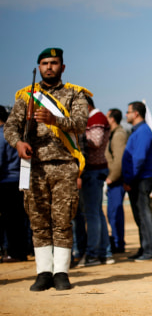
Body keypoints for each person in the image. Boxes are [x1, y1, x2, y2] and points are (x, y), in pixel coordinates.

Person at [4, 47, 90, 291]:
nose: (49, 67)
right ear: (39, 67)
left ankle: (61, 272)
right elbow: (10, 127)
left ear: (62, 67)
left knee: (63, 221)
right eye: (44, 63)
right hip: (34, 167)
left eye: (53, 63)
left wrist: (55, 121)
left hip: (64, 166)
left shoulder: (75, 94)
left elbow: (80, 124)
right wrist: (18, 143)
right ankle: (43, 272)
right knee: (38, 221)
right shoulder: (25, 96)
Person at [77, 96, 113, 266]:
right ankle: (103, 252)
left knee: (92, 214)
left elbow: (96, 141)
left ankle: (93, 253)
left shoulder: (96, 118)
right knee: (96, 212)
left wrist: (76, 134)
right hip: (95, 169)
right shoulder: (96, 118)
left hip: (93, 169)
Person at [122, 101, 152, 262]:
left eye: (128, 112)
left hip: (141, 178)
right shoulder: (137, 131)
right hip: (138, 178)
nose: (126, 115)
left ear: (136, 113)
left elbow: (139, 158)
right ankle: (145, 247)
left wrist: (130, 178)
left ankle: (150, 249)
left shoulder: (143, 131)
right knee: (140, 216)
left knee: (143, 215)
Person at [0, 105, 31, 263]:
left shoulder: (3, 135)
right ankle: (22, 250)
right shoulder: (19, 135)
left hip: (6, 182)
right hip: (21, 179)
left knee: (9, 221)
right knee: (21, 219)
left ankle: (13, 252)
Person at [105, 108, 128, 254]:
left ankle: (118, 243)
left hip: (116, 180)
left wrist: (111, 177)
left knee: (115, 213)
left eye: (107, 116)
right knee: (112, 213)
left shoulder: (118, 135)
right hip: (114, 179)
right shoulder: (115, 134)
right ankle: (117, 241)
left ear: (112, 119)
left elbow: (119, 160)